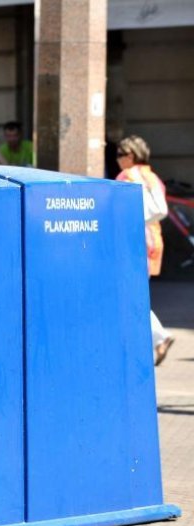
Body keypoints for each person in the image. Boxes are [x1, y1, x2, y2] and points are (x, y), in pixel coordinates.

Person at [116, 135, 175, 365]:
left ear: (130, 156)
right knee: (134, 293)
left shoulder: (128, 177)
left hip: (133, 242)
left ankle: (159, 337)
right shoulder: (151, 176)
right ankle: (155, 338)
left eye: (120, 155)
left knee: (131, 295)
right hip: (151, 241)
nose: (118, 160)